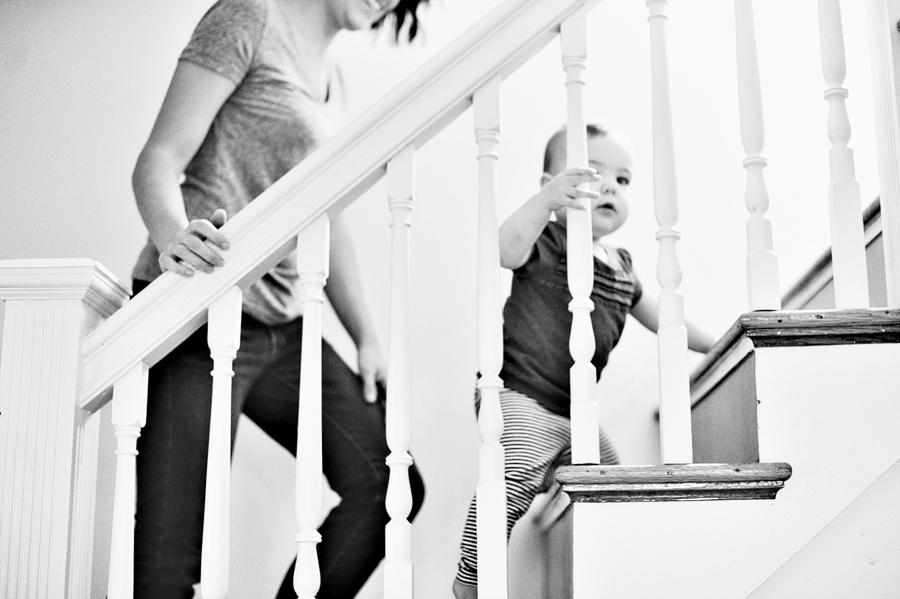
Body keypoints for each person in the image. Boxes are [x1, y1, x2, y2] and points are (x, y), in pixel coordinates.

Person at [129, 1, 428, 597]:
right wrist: (171, 238)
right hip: (197, 313)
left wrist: (365, 334)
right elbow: (158, 158)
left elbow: (327, 221)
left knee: (387, 484)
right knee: (170, 562)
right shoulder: (249, 16)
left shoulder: (332, 81)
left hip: (282, 328)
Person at [452, 123, 716, 598]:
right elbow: (503, 248)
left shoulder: (622, 265)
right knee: (508, 483)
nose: (611, 186)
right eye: (594, 173)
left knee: (610, 484)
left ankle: (597, 558)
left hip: (575, 413)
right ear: (553, 185)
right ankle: (471, 579)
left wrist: (716, 345)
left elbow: (665, 321)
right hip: (522, 396)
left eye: (624, 179)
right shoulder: (548, 241)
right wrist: (547, 202)